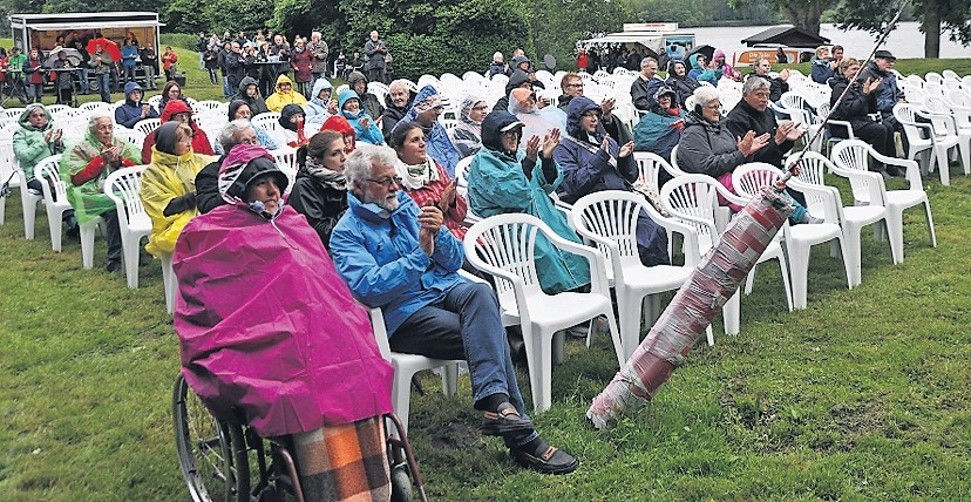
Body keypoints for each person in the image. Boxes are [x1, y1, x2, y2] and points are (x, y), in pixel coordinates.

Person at [329, 143, 579, 475]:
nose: (393, 187)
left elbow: (454, 261)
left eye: (395, 179)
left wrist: (439, 232)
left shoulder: (403, 205)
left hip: (441, 291)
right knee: (489, 336)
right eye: (384, 181)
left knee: (480, 291)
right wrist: (420, 255)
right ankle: (521, 435)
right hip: (405, 315)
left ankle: (498, 406)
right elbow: (371, 289)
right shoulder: (346, 233)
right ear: (358, 186)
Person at [174, 143, 395, 499]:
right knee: (299, 387)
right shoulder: (209, 233)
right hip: (255, 334)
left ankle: (377, 482)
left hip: (320, 323)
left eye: (275, 182)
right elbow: (212, 299)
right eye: (261, 183)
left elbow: (325, 284)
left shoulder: (294, 223)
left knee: (361, 365)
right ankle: (317, 487)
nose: (273, 191)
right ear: (239, 188)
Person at [466, 111, 590, 295]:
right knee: (546, 255)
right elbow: (512, 194)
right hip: (516, 228)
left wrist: (546, 159)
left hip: (545, 217)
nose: (514, 136)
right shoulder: (483, 163)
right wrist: (528, 164)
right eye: (507, 133)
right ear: (494, 136)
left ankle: (586, 295)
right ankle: (560, 304)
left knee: (572, 244)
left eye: (516, 132)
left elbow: (548, 184)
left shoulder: (520, 155)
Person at [677, 86, 820, 225]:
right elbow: (707, 166)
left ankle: (794, 216)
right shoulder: (693, 133)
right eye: (712, 107)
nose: (717, 110)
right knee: (756, 183)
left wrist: (748, 152)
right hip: (706, 185)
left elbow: (737, 155)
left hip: (728, 175)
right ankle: (797, 218)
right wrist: (742, 153)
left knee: (764, 176)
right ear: (698, 109)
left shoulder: (721, 126)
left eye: (718, 106)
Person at [555, 96, 670, 266]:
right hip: (598, 210)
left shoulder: (606, 140)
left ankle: (656, 285)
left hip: (625, 201)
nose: (594, 119)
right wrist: (601, 157)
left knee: (655, 231)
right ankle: (624, 285)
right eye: (588, 115)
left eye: (596, 114)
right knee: (629, 243)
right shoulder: (564, 147)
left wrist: (625, 159)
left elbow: (630, 176)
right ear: (576, 119)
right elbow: (574, 184)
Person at [62, 114, 141, 272]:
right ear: (93, 130)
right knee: (114, 208)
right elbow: (77, 179)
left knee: (133, 203)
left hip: (120, 189)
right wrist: (101, 161)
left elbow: (138, 168)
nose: (107, 131)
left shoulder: (122, 144)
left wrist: (120, 162)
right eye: (102, 128)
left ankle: (138, 251)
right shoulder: (80, 148)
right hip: (90, 193)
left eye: (110, 127)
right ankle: (114, 259)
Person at [139, 122, 215, 257]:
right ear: (169, 144)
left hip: (206, 212)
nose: (188, 143)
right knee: (203, 233)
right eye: (182, 140)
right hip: (174, 223)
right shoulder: (153, 173)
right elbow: (165, 208)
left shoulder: (200, 161)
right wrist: (196, 195)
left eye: (189, 138)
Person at [390, 121, 468, 240]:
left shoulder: (435, 168)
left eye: (423, 139)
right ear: (399, 150)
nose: (422, 144)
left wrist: (452, 201)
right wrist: (440, 207)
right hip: (429, 241)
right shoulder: (395, 179)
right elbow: (409, 226)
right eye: (415, 140)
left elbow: (460, 216)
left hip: (455, 233)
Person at [829, 57, 900, 177]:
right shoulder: (840, 88)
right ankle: (877, 167)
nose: (857, 72)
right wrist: (865, 95)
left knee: (888, 126)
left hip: (859, 121)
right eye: (853, 69)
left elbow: (872, 109)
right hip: (844, 124)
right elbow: (849, 110)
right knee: (879, 130)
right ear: (844, 70)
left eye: (858, 69)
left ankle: (891, 164)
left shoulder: (857, 85)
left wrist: (871, 93)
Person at [13, 105, 75, 235]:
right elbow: (23, 155)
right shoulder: (21, 133)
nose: (39, 118)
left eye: (42, 115)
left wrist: (58, 143)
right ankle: (73, 222)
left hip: (56, 173)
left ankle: (81, 219)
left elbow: (70, 151)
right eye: (35, 116)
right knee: (55, 189)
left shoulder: (52, 130)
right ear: (28, 118)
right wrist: (43, 143)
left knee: (78, 183)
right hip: (35, 175)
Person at [724, 76, 804, 169]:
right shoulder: (736, 119)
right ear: (745, 96)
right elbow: (746, 157)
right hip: (751, 173)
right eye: (759, 95)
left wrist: (786, 139)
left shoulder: (768, 112)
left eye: (767, 95)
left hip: (773, 167)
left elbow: (777, 150)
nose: (765, 99)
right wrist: (776, 141)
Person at [288, 130, 350, 248]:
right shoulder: (305, 187)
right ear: (317, 160)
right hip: (320, 249)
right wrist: (355, 207)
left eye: (344, 151)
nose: (344, 158)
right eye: (335, 154)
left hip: (347, 240)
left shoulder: (346, 177)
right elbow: (321, 233)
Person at [196, 120, 263, 214]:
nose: (253, 146)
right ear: (229, 149)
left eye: (254, 140)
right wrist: (237, 182)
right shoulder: (212, 172)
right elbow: (207, 206)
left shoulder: (264, 165)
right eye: (246, 142)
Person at [394, 85, 460, 175]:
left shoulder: (437, 127)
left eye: (440, 108)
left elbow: (451, 153)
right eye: (435, 108)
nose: (439, 113)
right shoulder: (404, 130)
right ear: (422, 108)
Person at [142, 100, 214, 163]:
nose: (184, 119)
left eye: (186, 115)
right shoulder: (155, 138)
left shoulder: (199, 134)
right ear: (170, 119)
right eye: (180, 116)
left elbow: (209, 157)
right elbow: (148, 162)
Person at [633, 87, 685, 162]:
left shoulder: (682, 113)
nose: (665, 99)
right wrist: (672, 129)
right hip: (663, 159)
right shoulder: (649, 118)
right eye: (662, 97)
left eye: (668, 96)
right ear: (656, 101)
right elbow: (644, 141)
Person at [859, 50, 904, 131]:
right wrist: (893, 105)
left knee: (925, 117)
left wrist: (901, 100)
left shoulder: (890, 76)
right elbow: (870, 103)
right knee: (905, 121)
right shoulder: (867, 77)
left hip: (895, 111)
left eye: (892, 62)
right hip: (880, 116)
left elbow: (898, 93)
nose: (891, 64)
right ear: (877, 61)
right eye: (887, 61)